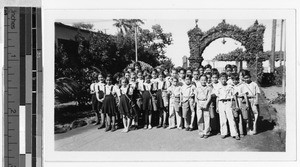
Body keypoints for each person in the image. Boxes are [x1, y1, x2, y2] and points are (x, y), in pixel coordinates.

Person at [216, 72, 240, 140]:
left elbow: (234, 96)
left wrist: (236, 105)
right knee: (222, 119)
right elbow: (217, 98)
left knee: (231, 119)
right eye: (222, 79)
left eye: (224, 79)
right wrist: (217, 106)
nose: (223, 80)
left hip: (228, 102)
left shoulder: (230, 86)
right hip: (221, 103)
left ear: (227, 79)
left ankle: (235, 133)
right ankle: (223, 133)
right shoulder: (218, 87)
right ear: (219, 79)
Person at [240, 70, 260, 135]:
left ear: (250, 77)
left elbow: (257, 93)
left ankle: (254, 128)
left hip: (253, 99)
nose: (246, 79)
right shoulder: (242, 85)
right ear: (243, 78)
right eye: (245, 78)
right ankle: (248, 129)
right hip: (246, 101)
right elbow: (241, 94)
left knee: (255, 114)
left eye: (248, 77)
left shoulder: (254, 84)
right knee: (247, 115)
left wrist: (256, 100)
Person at [231, 73, 246, 138]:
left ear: (238, 80)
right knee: (234, 117)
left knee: (240, 117)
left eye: (236, 80)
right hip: (233, 102)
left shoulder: (241, 86)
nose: (235, 81)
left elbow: (244, 93)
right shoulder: (231, 86)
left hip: (240, 101)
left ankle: (241, 132)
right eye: (233, 80)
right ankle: (235, 132)